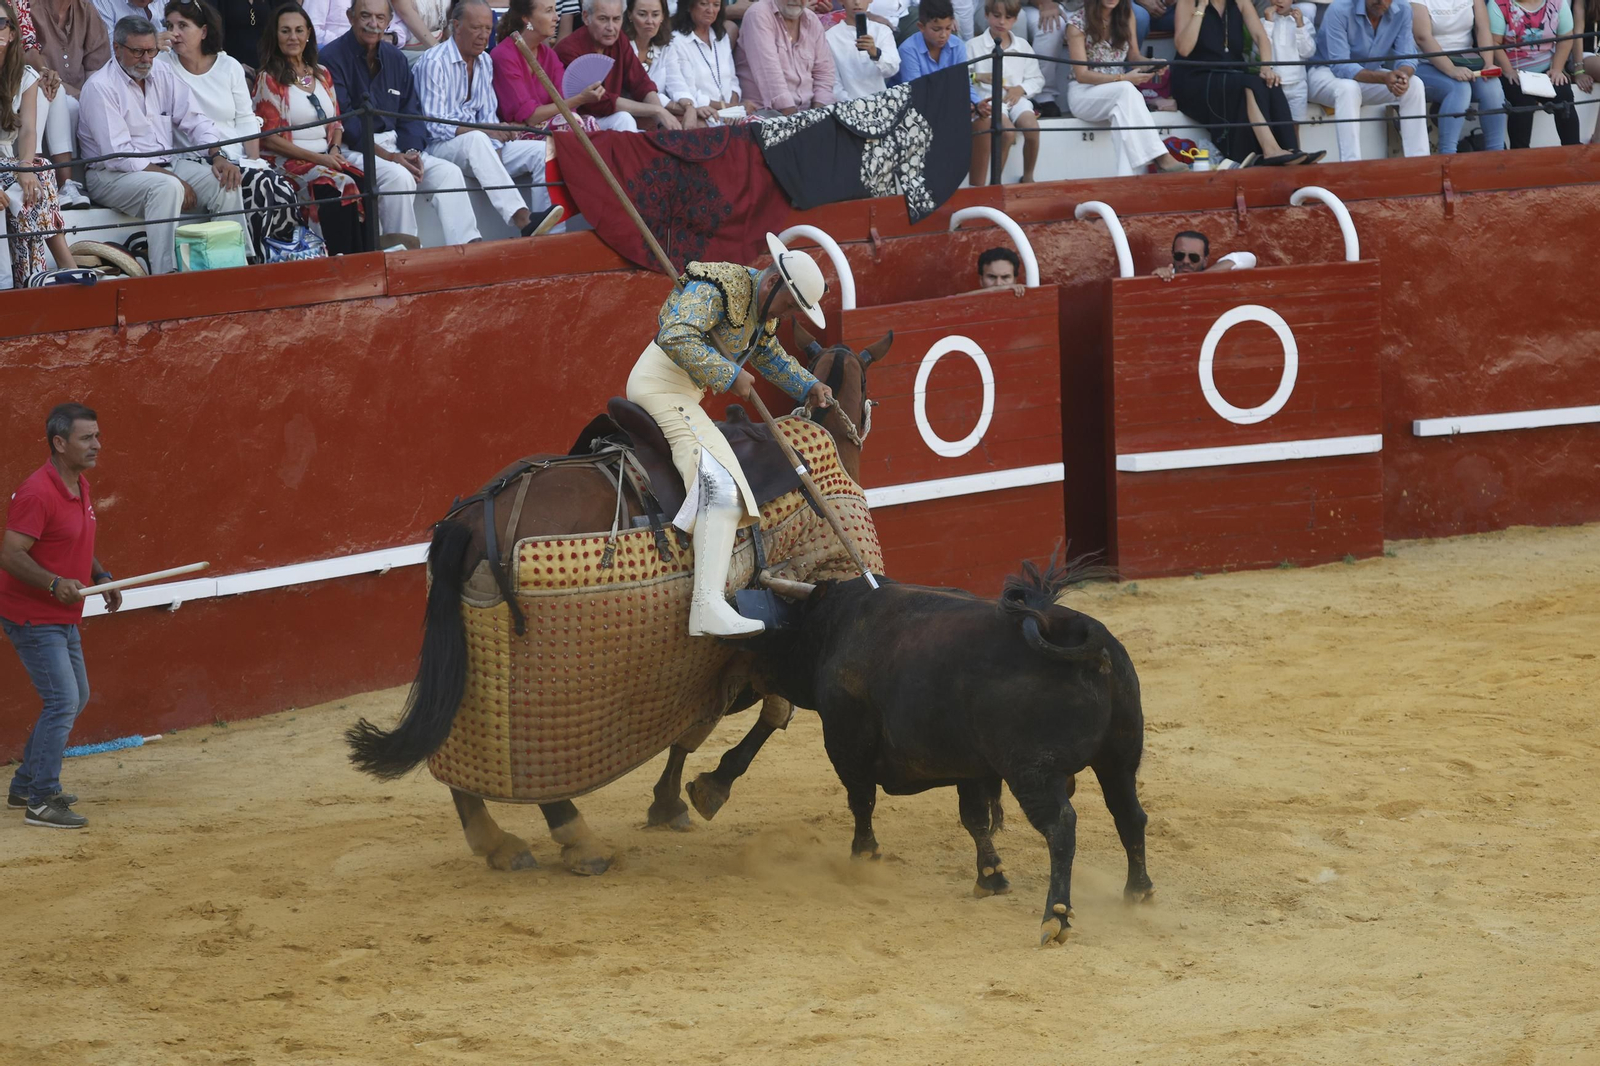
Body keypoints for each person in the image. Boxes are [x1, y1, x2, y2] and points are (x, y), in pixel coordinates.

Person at [626, 234, 833, 637]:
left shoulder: (761, 307)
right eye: (789, 303)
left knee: (723, 481)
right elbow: (675, 334)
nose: (787, 314)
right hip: (660, 386)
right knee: (720, 485)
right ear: (773, 281)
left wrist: (807, 385)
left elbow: (768, 354)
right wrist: (728, 373)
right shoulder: (716, 287)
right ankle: (706, 606)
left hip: (684, 394)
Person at [0, 404, 122, 830]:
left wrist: (101, 575)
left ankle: (24, 784)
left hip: (62, 614)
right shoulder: (37, 491)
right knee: (63, 700)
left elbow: (77, 541)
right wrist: (53, 583)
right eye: (87, 438)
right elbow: (10, 554)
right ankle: (41, 800)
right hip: (33, 615)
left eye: (97, 435)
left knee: (76, 697)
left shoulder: (78, 483)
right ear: (59, 442)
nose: (97, 445)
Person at [79, 15, 244, 276]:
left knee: (226, 181)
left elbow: (196, 120)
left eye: (151, 51)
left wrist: (218, 155)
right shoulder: (101, 87)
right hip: (110, 176)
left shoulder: (162, 72)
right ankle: (164, 274)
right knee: (167, 187)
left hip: (166, 167)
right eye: (138, 52)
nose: (146, 59)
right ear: (117, 48)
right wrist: (173, 178)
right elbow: (119, 157)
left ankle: (232, 266)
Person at [323, 0, 482, 247]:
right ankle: (402, 256)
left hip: (397, 146)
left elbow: (411, 113)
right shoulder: (331, 57)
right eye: (365, 16)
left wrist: (411, 152)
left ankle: (467, 248)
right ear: (350, 17)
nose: (373, 24)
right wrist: (391, 157)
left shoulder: (395, 58)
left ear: (388, 22)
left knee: (448, 173)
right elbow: (347, 123)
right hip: (352, 149)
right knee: (399, 177)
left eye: (379, 18)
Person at [159, 0, 300, 262]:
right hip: (195, 159)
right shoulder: (163, 66)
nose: (174, 32)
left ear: (203, 31)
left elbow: (246, 119)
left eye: (182, 25)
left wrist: (254, 161)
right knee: (259, 186)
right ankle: (252, 260)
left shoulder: (229, 66)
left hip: (237, 157)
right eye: (169, 25)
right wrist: (154, 49)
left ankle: (277, 258)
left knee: (279, 187)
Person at [415, 0, 562, 237]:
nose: (484, 36)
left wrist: (496, 140)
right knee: (476, 139)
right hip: (438, 147)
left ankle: (549, 233)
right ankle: (523, 220)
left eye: (488, 29)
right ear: (456, 26)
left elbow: (487, 116)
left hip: (478, 146)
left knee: (542, 150)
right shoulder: (434, 61)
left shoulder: (485, 61)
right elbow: (435, 126)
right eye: (476, 28)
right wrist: (487, 133)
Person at [253, 2, 373, 256]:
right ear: (275, 36)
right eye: (285, 31)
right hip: (288, 160)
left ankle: (364, 257)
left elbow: (336, 123)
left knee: (364, 180)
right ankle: (336, 259)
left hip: (326, 154)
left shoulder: (322, 73)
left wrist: (335, 149)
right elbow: (269, 140)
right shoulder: (269, 78)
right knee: (334, 186)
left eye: (299, 30)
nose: (293, 37)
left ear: (309, 33)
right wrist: (320, 159)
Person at [0, 0, 77, 286]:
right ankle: (64, 264)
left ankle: (31, 276)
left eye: (0, 24)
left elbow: (30, 130)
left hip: (7, 160)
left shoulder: (25, 76)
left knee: (35, 173)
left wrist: (24, 166)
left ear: (11, 33)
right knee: (40, 172)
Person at [1173, 0, 1306, 165]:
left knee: (1271, 83)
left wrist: (1266, 67)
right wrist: (1200, 9)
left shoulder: (1240, 2)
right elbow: (1184, 48)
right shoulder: (1188, 2)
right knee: (1247, 83)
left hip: (1231, 74)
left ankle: (1291, 150)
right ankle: (1270, 149)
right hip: (1196, 77)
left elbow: (1260, 36)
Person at [1066, 0, 1191, 174]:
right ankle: (1160, 155)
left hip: (1117, 93)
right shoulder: (1076, 24)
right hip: (1084, 94)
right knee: (1126, 90)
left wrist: (1153, 64)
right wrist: (1123, 78)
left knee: (1121, 114)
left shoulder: (1126, 15)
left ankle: (1124, 178)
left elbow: (1134, 57)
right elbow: (1082, 75)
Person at [1309, 0, 1430, 161]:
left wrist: (1402, 76)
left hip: (1368, 73)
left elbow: (1407, 56)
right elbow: (1340, 66)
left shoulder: (1403, 9)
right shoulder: (1339, 8)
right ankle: (1351, 164)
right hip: (1323, 72)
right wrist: (1385, 78)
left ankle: (1419, 161)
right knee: (1348, 88)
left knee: (1414, 84)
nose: (1380, 0)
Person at [31, 0, 110, 209]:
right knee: (65, 101)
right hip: (39, 86)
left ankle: (67, 185)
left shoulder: (86, 9)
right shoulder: (30, 7)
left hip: (79, 91)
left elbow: (98, 66)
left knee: (89, 105)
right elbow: (26, 54)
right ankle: (45, 182)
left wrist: (90, 96)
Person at [556, 0, 681, 129]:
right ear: (586, 17)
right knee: (624, 118)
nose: (611, 27)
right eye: (603, 19)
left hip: (608, 116)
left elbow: (641, 82)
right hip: (577, 122)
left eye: (616, 19)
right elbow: (600, 100)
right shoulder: (569, 50)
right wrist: (656, 110)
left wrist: (661, 118)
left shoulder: (619, 40)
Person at [892, 0, 988, 166]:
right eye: (936, 29)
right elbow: (918, 93)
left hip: (941, 107)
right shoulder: (908, 49)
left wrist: (977, 103)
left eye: (948, 28)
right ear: (921, 27)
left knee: (984, 123)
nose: (943, 34)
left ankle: (977, 188)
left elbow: (962, 83)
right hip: (910, 111)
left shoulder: (957, 45)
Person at [1410, 0, 1506, 151]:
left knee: (1492, 87)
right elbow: (1422, 37)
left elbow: (1483, 28)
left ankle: (1497, 154)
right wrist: (1451, 69)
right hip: (1425, 62)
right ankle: (1448, 155)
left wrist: (1488, 63)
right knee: (1460, 89)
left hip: (1466, 59)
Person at [970, 0, 1043, 183]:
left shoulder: (1023, 46)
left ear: (1016, 19)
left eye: (1008, 17)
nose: (1002, 22)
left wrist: (1021, 89)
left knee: (1033, 129)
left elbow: (1037, 79)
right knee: (1007, 133)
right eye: (996, 16)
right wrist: (978, 76)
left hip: (1016, 100)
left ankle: (1028, 178)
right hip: (989, 100)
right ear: (987, 15)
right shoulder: (972, 45)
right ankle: (996, 183)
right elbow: (962, 76)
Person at [1491, 0, 1579, 147]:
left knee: (1564, 95)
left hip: (1546, 69)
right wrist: (1508, 71)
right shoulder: (1498, 4)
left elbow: (1565, 38)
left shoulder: (1557, 3)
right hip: (1513, 71)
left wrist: (1557, 69)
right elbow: (1494, 43)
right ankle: (1520, 156)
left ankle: (1574, 152)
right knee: (1522, 102)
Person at [733, 0, 836, 113]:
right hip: (764, 112)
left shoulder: (812, 20)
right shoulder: (758, 13)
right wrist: (796, 122)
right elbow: (769, 74)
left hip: (807, 113)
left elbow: (824, 74)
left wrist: (818, 115)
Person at [657, 0, 743, 128]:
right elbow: (689, 91)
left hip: (732, 115)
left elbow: (732, 80)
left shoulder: (721, 36)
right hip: (703, 115)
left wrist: (734, 109)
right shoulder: (677, 41)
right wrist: (727, 108)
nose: (710, 10)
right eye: (703, 3)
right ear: (688, 6)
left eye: (716, 5)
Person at [825, 0, 899, 101]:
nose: (857, 2)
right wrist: (853, 106)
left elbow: (892, 70)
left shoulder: (882, 31)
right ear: (841, 1)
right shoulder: (830, 37)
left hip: (881, 103)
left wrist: (876, 53)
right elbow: (834, 83)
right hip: (848, 107)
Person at [1261, 0, 1316, 122]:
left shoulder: (1304, 22)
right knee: (1274, 127)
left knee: (1294, 127)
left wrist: (1300, 26)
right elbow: (1260, 52)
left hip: (1298, 85)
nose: (1279, 1)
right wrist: (1269, 23)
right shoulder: (1263, 22)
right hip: (1272, 84)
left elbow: (1308, 52)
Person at [1151, 229, 1255, 278]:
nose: (1186, 261)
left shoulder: (1212, 275)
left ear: (1205, 261)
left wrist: (1203, 277)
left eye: (1193, 257)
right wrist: (1157, 278)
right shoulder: (1165, 276)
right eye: (1180, 255)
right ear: (1173, 255)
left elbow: (1249, 258)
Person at [625, 0, 674, 83]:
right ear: (630, 15)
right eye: (642, 14)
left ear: (662, 16)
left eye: (655, 15)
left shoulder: (666, 47)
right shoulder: (621, 47)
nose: (650, 21)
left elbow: (678, 87)